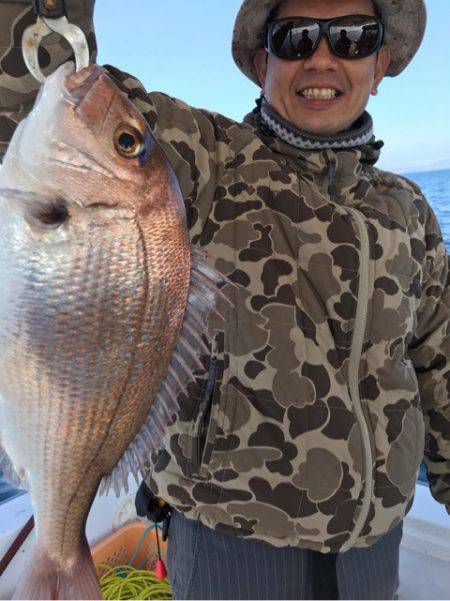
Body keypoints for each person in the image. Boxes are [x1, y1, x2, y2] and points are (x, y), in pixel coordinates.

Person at [1, 0, 448, 599]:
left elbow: (439, 363)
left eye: (351, 37)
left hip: (376, 546)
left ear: (380, 61)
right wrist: (46, 14)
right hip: (227, 546)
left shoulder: (410, 209)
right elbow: (55, 93)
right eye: (294, 38)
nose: (321, 58)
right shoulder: (210, 158)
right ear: (262, 61)